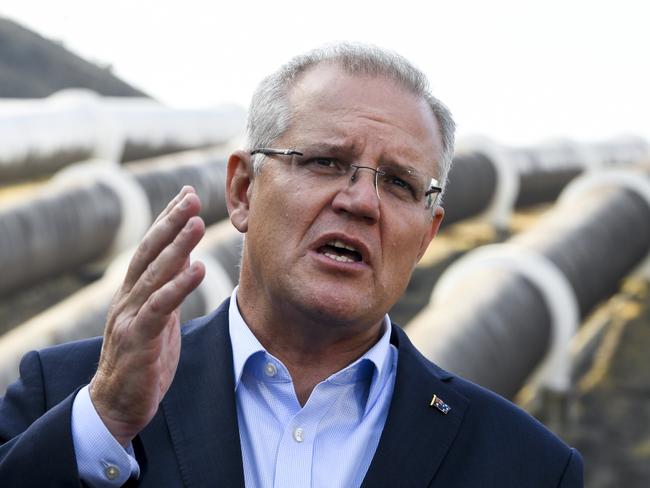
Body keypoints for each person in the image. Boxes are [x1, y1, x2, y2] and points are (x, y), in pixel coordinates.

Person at [0, 43, 582, 487]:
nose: (360, 201)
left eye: (400, 183)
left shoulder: (527, 465)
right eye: (327, 161)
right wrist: (104, 428)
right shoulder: (68, 397)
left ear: (428, 234)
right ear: (243, 190)